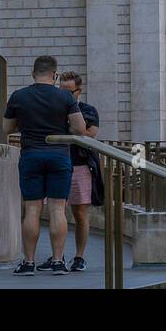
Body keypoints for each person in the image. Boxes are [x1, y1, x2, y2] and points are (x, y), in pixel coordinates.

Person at [4, 54, 86, 276]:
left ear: (33, 73)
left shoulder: (19, 96)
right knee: (58, 208)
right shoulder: (65, 97)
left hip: (31, 154)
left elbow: (6, 128)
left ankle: (29, 263)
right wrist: (61, 129)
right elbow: (80, 129)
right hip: (59, 155)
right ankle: (58, 261)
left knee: (32, 209)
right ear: (55, 74)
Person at [59, 71, 100, 272]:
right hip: (57, 163)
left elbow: (87, 133)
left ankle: (79, 256)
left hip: (79, 166)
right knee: (56, 212)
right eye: (62, 91)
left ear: (78, 91)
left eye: (69, 92)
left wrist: (69, 121)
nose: (65, 96)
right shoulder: (53, 109)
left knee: (80, 213)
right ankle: (57, 256)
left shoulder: (88, 110)